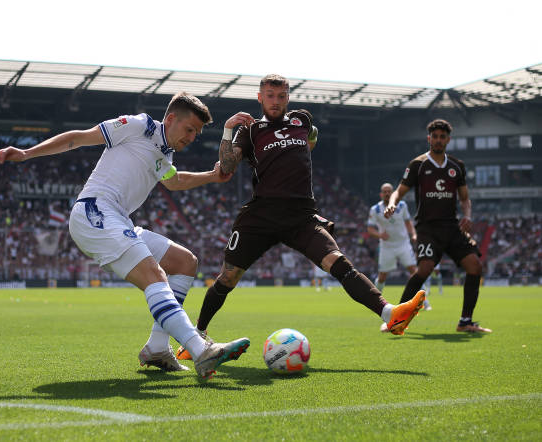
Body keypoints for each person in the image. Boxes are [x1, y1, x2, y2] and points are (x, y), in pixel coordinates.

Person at [0, 92, 250, 379]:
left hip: (117, 218)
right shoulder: (138, 125)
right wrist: (27, 153)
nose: (192, 137)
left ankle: (157, 348)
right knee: (155, 276)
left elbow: (175, 181)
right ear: (170, 119)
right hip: (94, 212)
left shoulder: (165, 152)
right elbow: (78, 138)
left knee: (184, 262)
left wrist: (212, 176)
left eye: (197, 133)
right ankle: (202, 352)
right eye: (189, 129)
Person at [175, 74, 425, 361]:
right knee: (228, 277)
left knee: (338, 262)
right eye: (270, 95)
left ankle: (390, 314)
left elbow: (311, 142)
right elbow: (226, 169)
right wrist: (228, 130)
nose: (276, 101)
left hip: (301, 215)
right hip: (261, 215)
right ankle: (196, 337)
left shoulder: (302, 120)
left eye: (281, 96)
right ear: (260, 97)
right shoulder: (251, 131)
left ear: (288, 97)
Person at [384, 119, 491, 333]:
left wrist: (467, 215)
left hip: (451, 228)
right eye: (435, 136)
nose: (439, 140)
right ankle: (397, 320)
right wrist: (392, 203)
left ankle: (465, 322)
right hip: (428, 228)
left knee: (475, 267)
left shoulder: (456, 166)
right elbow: (399, 190)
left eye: (443, 137)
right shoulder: (418, 164)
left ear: (448, 140)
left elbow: (465, 198)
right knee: (424, 269)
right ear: (429, 139)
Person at [367, 183, 432, 321]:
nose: (387, 194)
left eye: (389, 191)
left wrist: (413, 234)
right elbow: (370, 229)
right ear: (381, 194)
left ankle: (424, 302)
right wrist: (380, 235)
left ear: (393, 192)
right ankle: (374, 302)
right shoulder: (375, 209)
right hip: (387, 246)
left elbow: (408, 223)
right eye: (384, 191)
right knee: (382, 276)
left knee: (415, 272)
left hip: (403, 244)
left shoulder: (402, 206)